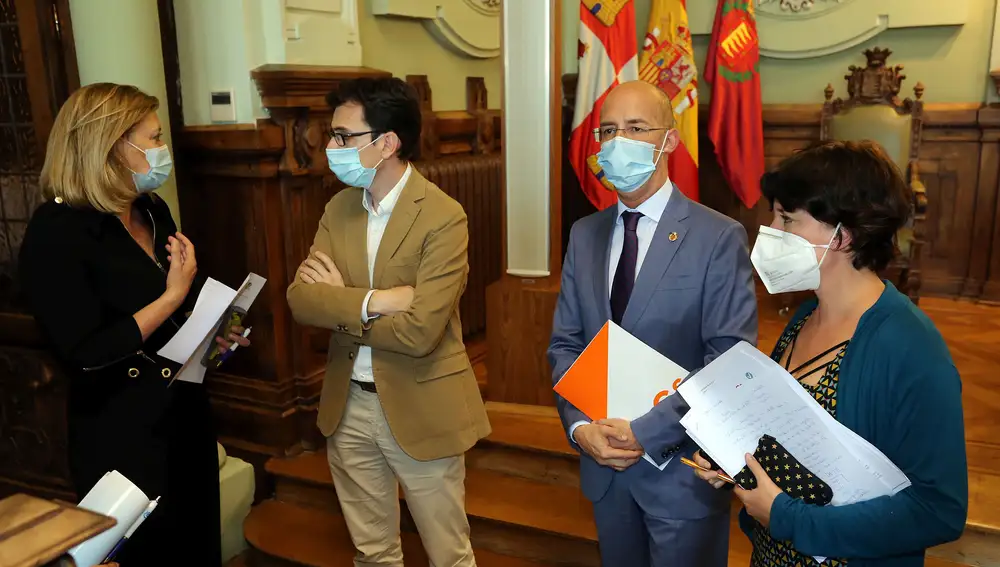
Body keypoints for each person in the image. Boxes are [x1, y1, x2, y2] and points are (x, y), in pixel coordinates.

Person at [693, 140, 968, 567]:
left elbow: (939, 510)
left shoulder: (911, 347)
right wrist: (731, 461)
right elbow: (789, 442)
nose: (770, 230)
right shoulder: (804, 318)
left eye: (787, 218)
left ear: (845, 235)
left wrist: (789, 518)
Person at [19, 83, 249, 566]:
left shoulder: (151, 209)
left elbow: (178, 316)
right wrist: (173, 298)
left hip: (184, 416)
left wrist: (216, 335)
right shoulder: (56, 231)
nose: (162, 149)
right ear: (114, 145)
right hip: (121, 431)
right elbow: (85, 350)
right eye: (154, 136)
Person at [548, 80, 758, 567]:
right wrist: (579, 428)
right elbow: (566, 344)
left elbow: (728, 362)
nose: (618, 142)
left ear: (669, 139)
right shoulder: (585, 234)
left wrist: (647, 431)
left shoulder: (718, 237)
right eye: (608, 131)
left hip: (682, 473)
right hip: (604, 463)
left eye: (636, 128)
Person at [286, 77, 491, 567]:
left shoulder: (443, 216)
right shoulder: (339, 208)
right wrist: (378, 300)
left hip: (421, 403)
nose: (330, 148)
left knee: (449, 554)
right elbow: (301, 301)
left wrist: (342, 304)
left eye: (343, 136)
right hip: (348, 405)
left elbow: (421, 333)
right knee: (372, 553)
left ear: (387, 143)